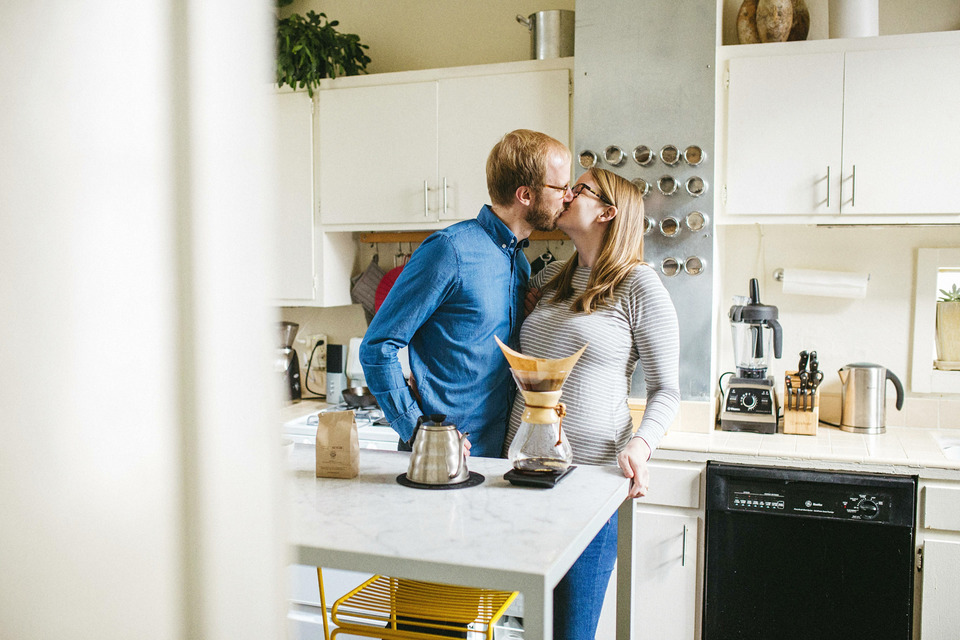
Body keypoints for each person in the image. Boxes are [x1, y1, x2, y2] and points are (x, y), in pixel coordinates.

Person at [504, 167, 681, 639]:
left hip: (589, 487)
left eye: (577, 189)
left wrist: (642, 446)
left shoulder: (638, 285)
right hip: (525, 481)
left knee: (570, 633)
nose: (565, 194)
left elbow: (667, 389)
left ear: (607, 211)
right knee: (526, 630)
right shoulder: (557, 282)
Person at [359, 129, 573, 456]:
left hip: (500, 456)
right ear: (525, 195)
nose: (568, 196)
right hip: (441, 461)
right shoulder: (450, 251)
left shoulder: (520, 263)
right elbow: (377, 347)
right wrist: (421, 433)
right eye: (561, 187)